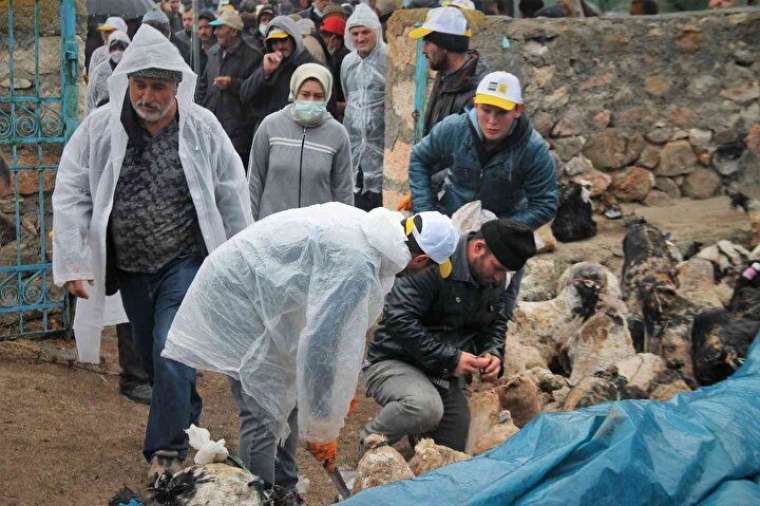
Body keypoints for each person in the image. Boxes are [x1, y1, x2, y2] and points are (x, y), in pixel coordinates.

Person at [52, 25, 252, 481]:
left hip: (183, 263)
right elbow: (71, 190)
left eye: (157, 86)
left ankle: (166, 450)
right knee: (155, 354)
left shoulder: (202, 128)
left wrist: (241, 260)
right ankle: (189, 412)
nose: (146, 95)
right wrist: (73, 262)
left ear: (176, 86)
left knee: (170, 350)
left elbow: (231, 192)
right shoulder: (102, 127)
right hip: (130, 267)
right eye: (139, 84)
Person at [162, 203, 460, 503]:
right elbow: (323, 349)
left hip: (271, 298)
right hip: (239, 295)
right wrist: (321, 429)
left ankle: (286, 491)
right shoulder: (358, 263)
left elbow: (345, 332)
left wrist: (338, 394)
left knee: (290, 393)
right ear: (421, 259)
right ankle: (259, 497)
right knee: (263, 409)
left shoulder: (378, 237)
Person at [361, 219, 537, 452]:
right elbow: (398, 319)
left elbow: (496, 321)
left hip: (443, 371)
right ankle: (368, 446)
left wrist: (492, 353)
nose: (498, 278)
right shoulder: (437, 259)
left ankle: (417, 433)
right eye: (497, 268)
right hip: (395, 359)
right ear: (478, 248)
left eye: (504, 272)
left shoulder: (497, 276)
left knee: (453, 451)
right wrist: (451, 359)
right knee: (424, 408)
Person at [408, 71, 557, 316]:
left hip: (503, 232)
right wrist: (426, 213)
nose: (492, 121)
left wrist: (501, 229)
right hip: (450, 222)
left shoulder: (533, 149)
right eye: (486, 110)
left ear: (518, 110)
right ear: (476, 105)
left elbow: (546, 203)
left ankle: (491, 351)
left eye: (501, 113)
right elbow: (419, 159)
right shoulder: (456, 129)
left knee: (497, 309)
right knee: (433, 300)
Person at [249, 63, 353, 220]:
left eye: (318, 96)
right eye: (305, 94)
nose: (311, 101)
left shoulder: (338, 134)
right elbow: (254, 181)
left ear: (327, 98)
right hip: (272, 229)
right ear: (294, 93)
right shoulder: (270, 126)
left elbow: (344, 192)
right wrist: (251, 223)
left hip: (317, 233)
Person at [196, 9, 263, 171]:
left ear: (233, 31)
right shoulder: (213, 53)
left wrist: (232, 84)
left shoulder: (253, 56)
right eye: (216, 28)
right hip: (211, 126)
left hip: (238, 131)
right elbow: (203, 86)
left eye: (220, 28)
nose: (216, 32)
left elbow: (255, 91)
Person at [341, 4, 387, 211]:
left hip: (382, 152)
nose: (359, 38)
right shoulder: (347, 63)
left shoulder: (389, 59)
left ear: (376, 31)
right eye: (355, 33)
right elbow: (347, 95)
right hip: (355, 151)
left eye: (365, 32)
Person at [240, 16, 315, 129]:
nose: (279, 46)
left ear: (294, 39)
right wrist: (265, 72)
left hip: (297, 133)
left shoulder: (310, 67)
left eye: (284, 40)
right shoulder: (267, 62)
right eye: (274, 42)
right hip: (268, 131)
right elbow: (245, 95)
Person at [86, 30, 130, 112]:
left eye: (121, 48)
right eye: (114, 48)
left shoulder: (133, 69)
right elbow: (90, 99)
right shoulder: (100, 71)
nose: (117, 51)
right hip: (103, 114)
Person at [320, 14, 349, 120]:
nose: (323, 41)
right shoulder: (331, 58)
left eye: (325, 36)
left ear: (334, 38)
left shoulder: (343, 61)